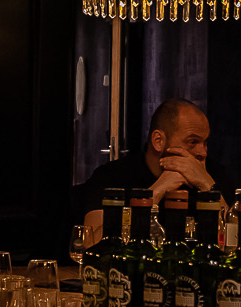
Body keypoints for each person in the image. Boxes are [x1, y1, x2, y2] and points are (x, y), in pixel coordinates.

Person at [73, 98, 212, 236]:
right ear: (158, 141)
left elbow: (226, 238)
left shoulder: (211, 174)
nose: (203, 152)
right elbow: (92, 240)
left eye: (205, 143)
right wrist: (157, 191)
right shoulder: (113, 176)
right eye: (193, 142)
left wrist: (206, 184)